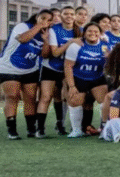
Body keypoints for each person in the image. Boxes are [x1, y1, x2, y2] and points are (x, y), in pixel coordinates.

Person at [0, 10, 53, 139]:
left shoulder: (47, 33)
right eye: (43, 18)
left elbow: (45, 55)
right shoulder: (23, 26)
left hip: (30, 69)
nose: (46, 21)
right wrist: (38, 26)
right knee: (12, 96)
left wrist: (46, 40)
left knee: (30, 98)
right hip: (9, 67)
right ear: (36, 17)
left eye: (49, 20)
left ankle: (31, 129)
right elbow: (22, 39)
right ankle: (12, 130)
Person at [64, 23, 110, 138]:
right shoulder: (76, 46)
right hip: (79, 77)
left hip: (97, 78)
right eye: (89, 31)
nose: (92, 33)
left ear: (100, 34)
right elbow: (68, 66)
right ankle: (76, 130)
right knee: (74, 100)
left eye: (96, 31)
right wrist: (72, 86)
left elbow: (110, 64)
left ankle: (105, 128)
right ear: (84, 33)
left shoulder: (105, 46)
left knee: (106, 101)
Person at [38, 7, 78, 137]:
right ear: (61, 16)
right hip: (51, 67)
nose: (69, 16)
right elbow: (55, 53)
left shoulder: (79, 30)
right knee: (46, 97)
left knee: (68, 96)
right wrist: (70, 42)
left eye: (72, 14)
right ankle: (40, 129)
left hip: (68, 69)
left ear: (75, 16)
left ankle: (65, 125)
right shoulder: (54, 30)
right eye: (66, 14)